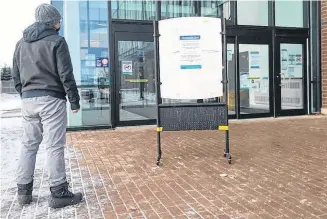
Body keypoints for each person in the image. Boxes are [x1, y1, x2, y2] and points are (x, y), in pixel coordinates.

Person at [11, 3, 83, 208]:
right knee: (54, 145)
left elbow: (16, 76)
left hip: (28, 100)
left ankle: (24, 192)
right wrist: (74, 100)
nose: (60, 23)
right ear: (53, 22)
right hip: (52, 99)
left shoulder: (20, 44)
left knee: (29, 145)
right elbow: (65, 74)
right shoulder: (57, 41)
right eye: (58, 20)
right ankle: (59, 193)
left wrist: (25, 94)